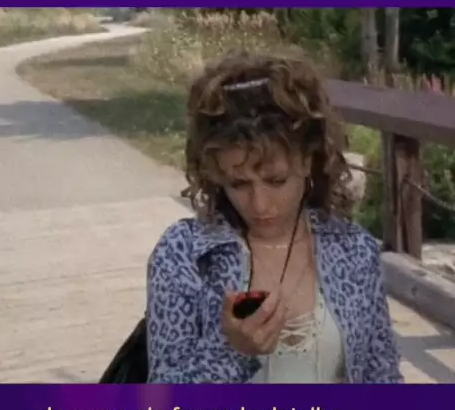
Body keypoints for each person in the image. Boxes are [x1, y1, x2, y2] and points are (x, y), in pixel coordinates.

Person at [145, 48, 402, 384]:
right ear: (215, 173)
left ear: (308, 160)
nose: (260, 205)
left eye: (276, 180)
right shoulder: (185, 254)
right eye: (238, 184)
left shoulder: (354, 250)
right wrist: (232, 351)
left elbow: (383, 379)